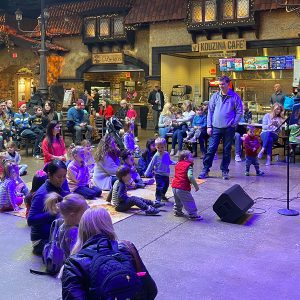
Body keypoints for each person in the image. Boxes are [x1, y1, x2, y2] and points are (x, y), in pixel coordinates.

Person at [61, 207, 158, 299]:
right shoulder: (127, 247)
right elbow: (151, 290)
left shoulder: (74, 264)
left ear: (82, 230)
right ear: (109, 226)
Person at [198, 76, 243, 180]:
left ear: (228, 84)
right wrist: (209, 126)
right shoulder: (214, 96)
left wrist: (234, 123)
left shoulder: (235, 96)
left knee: (227, 150)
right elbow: (210, 111)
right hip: (215, 127)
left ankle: (224, 171)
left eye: (223, 84)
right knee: (211, 149)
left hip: (229, 128)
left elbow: (239, 111)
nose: (220, 86)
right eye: (219, 84)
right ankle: (205, 169)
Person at [27, 160, 70, 255]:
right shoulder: (42, 194)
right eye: (59, 177)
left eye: (64, 176)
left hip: (56, 232)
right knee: (71, 251)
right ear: (49, 175)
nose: (62, 179)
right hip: (41, 240)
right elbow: (30, 220)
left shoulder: (62, 182)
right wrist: (52, 212)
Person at [44, 192, 89, 259]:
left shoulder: (62, 224)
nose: (86, 215)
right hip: (68, 264)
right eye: (84, 213)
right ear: (72, 215)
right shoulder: (74, 231)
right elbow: (75, 255)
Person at [144, 137, 175, 207]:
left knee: (166, 185)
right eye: (158, 147)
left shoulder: (166, 154)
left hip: (166, 173)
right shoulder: (156, 156)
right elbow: (151, 164)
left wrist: (176, 163)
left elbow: (168, 161)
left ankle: (162, 195)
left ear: (165, 146)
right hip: (158, 174)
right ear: (156, 147)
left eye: (162, 147)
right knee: (159, 186)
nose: (160, 149)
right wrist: (147, 172)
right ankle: (157, 199)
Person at [172, 150, 202, 220]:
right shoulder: (188, 166)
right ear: (185, 158)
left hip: (174, 186)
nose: (193, 158)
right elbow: (190, 176)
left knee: (178, 200)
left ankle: (177, 211)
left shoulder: (177, 164)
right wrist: (196, 186)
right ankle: (193, 214)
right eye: (191, 157)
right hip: (182, 187)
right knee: (189, 201)